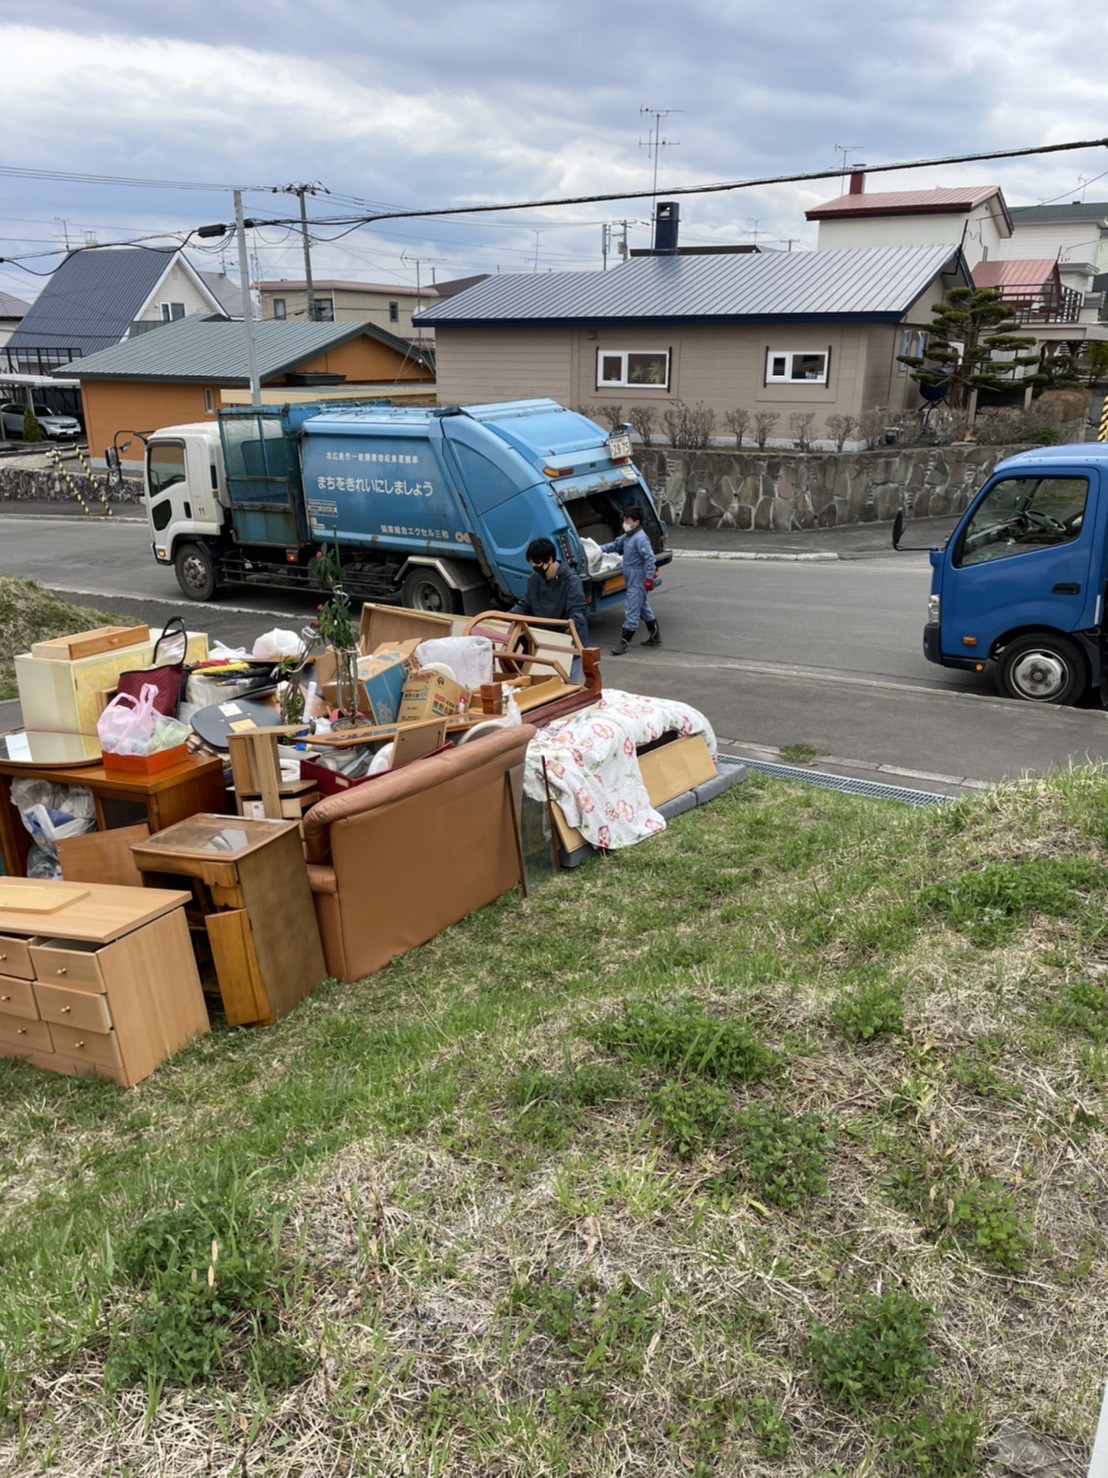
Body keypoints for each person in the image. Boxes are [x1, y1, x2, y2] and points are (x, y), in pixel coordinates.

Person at [511, 536, 588, 681]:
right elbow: (525, 604)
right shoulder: (534, 579)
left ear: (550, 559)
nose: (534, 566)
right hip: (542, 643)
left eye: (538, 562)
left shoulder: (571, 581)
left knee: (566, 688)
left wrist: (571, 627)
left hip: (566, 644)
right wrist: (506, 619)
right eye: (532, 563)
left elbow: (578, 610)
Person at [601, 504, 659, 654]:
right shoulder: (628, 536)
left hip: (637, 578)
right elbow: (615, 545)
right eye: (625, 519)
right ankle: (655, 635)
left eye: (628, 520)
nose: (625, 522)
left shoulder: (640, 539)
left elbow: (650, 559)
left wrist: (648, 579)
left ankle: (623, 643)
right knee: (643, 607)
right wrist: (597, 549)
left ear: (636, 522)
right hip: (631, 576)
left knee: (632, 610)